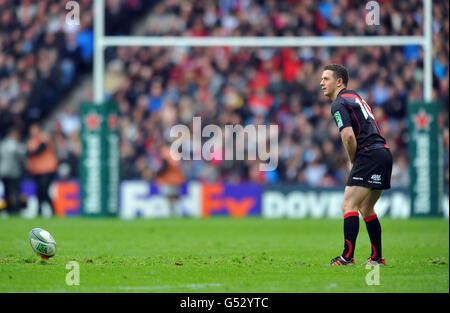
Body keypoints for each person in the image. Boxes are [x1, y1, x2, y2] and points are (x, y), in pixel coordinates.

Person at [320, 64, 392, 266]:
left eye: (326, 79)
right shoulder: (356, 98)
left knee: (348, 205)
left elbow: (349, 136)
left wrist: (353, 160)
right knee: (366, 207)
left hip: (368, 154)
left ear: (339, 81)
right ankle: (376, 258)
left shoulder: (338, 103)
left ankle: (347, 258)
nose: (321, 83)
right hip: (384, 153)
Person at [26, 124, 58, 217]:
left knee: (44, 189)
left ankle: (52, 210)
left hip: (47, 168)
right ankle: (40, 211)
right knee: (39, 191)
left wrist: (31, 153)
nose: (33, 131)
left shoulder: (43, 138)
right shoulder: (31, 141)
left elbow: (39, 150)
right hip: (36, 170)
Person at [155, 140, 186, 217]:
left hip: (168, 179)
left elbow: (165, 166)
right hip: (177, 179)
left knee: (169, 197)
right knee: (176, 197)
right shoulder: (176, 153)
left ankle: (170, 214)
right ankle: (177, 213)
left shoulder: (165, 152)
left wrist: (158, 173)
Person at [0, 128, 26, 215]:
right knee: (15, 192)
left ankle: (8, 209)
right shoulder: (17, 145)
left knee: (7, 192)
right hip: (14, 172)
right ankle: (16, 209)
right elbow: (22, 158)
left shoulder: (3, 144)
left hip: (3, 171)